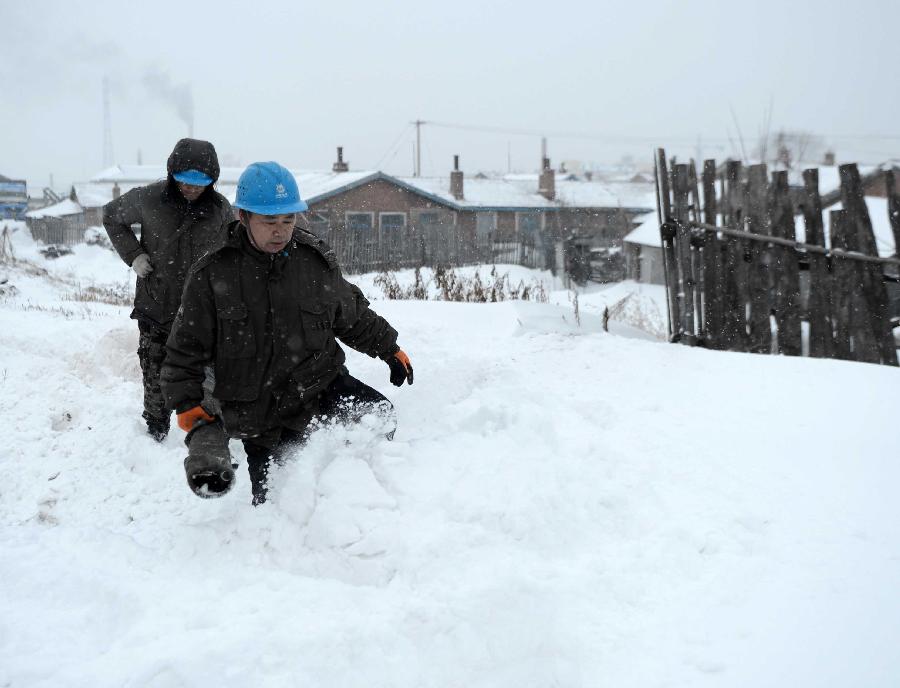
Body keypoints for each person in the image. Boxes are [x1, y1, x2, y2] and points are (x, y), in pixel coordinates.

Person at [160, 161, 413, 505]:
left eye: (288, 220)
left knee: (377, 419)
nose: (280, 231)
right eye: (269, 221)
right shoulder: (212, 274)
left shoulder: (313, 261)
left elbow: (350, 313)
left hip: (321, 384)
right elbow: (184, 350)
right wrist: (188, 405)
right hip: (260, 410)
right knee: (280, 502)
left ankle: (363, 505)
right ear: (243, 215)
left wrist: (389, 348)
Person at [103, 138, 234, 441]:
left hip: (203, 314)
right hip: (156, 306)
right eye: (184, 181)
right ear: (172, 173)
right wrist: (134, 255)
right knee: (156, 374)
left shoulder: (220, 210)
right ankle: (155, 430)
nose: (191, 188)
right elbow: (111, 216)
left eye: (199, 182)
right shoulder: (149, 198)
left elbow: (233, 248)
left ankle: (208, 432)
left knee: (209, 377)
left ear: (212, 180)